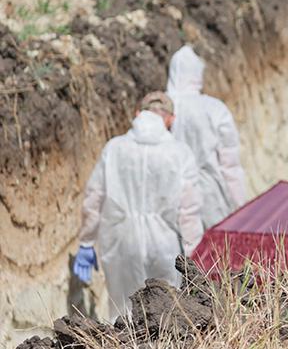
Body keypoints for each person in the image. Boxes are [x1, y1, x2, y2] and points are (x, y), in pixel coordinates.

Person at [73, 92, 203, 318]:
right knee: (167, 317)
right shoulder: (180, 153)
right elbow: (189, 212)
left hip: (121, 243)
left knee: (123, 317)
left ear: (137, 114)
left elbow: (94, 198)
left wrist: (86, 242)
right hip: (165, 245)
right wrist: (193, 253)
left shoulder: (114, 148)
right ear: (171, 119)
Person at [167, 45, 249, 230]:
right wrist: (240, 205)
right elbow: (230, 166)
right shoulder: (214, 109)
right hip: (209, 198)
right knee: (211, 254)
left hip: (168, 197)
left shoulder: (159, 109)